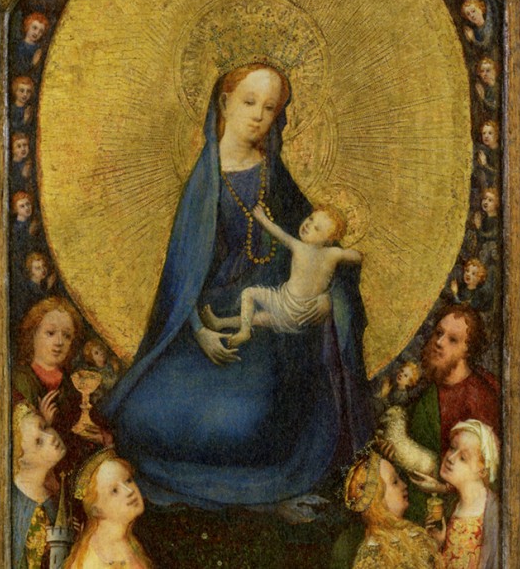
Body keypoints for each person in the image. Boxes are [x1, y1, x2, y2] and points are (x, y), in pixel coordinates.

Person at [97, 62, 372, 515]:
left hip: (267, 327)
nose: (258, 116)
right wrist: (201, 331)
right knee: (140, 418)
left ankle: (263, 481)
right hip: (206, 322)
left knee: (249, 425)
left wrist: (325, 301)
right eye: (249, 102)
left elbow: (322, 256)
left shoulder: (274, 176)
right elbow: (182, 278)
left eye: (270, 107)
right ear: (224, 103)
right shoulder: (204, 182)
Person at [384, 305, 499, 526]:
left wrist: (443, 488)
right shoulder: (431, 387)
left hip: (455, 512)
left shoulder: (479, 398)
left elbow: (488, 476)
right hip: (415, 502)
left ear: (467, 350)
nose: (439, 342)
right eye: (439, 333)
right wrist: (393, 454)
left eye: (452, 340)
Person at [199, 203, 362, 347]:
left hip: (287, 305)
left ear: (328, 240)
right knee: (258, 318)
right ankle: (220, 323)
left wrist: (262, 218)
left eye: (317, 228)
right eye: (311, 218)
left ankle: (244, 332)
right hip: (300, 315)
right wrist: (360, 251)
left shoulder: (300, 247)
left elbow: (279, 233)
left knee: (249, 293)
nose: (308, 225)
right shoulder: (334, 254)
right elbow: (358, 256)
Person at [13, 297, 106, 470]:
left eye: (67, 336)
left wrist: (102, 437)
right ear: (32, 334)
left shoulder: (75, 384)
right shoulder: (19, 381)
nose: (59, 342)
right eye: (50, 333)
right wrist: (42, 424)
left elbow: (94, 431)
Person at [335, 451, 437, 569]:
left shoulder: (411, 532)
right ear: (378, 499)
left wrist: (436, 543)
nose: (404, 485)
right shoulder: (372, 555)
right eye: (395, 482)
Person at [423, 419, 500, 569]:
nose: (450, 458)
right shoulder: (450, 505)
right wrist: (438, 545)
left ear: (482, 470)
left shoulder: (493, 512)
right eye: (452, 448)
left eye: (463, 458)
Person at [64, 449, 152, 569]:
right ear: (96, 510)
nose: (129, 491)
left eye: (128, 480)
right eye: (114, 490)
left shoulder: (126, 540)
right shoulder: (94, 559)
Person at [12, 404, 68, 569]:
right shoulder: (18, 504)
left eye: (44, 426)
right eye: (39, 442)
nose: (51, 437)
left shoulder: (50, 493)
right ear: (22, 460)